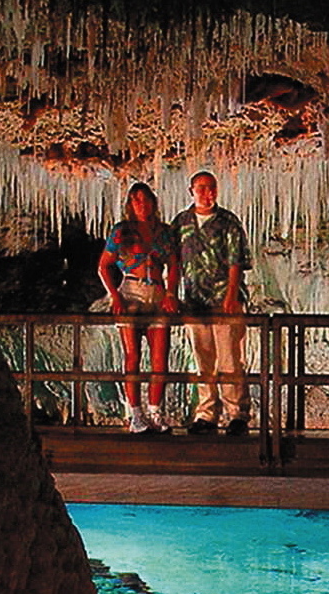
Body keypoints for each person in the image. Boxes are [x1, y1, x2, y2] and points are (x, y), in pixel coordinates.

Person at [171, 171, 253, 436]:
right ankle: (206, 413)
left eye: (212, 188)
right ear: (191, 190)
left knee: (230, 360)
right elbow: (173, 261)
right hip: (195, 301)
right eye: (202, 188)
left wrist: (231, 294)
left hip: (225, 301)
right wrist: (172, 293)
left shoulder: (228, 221)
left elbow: (236, 261)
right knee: (202, 361)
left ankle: (236, 413)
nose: (207, 193)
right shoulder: (181, 222)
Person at [98, 182, 179, 434]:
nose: (142, 205)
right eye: (137, 201)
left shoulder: (164, 232)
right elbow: (103, 266)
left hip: (156, 290)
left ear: (154, 203)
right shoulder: (121, 231)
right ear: (130, 205)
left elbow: (174, 265)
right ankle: (134, 413)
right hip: (131, 290)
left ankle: (155, 411)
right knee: (132, 356)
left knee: (159, 358)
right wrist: (115, 296)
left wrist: (170, 293)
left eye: (146, 200)